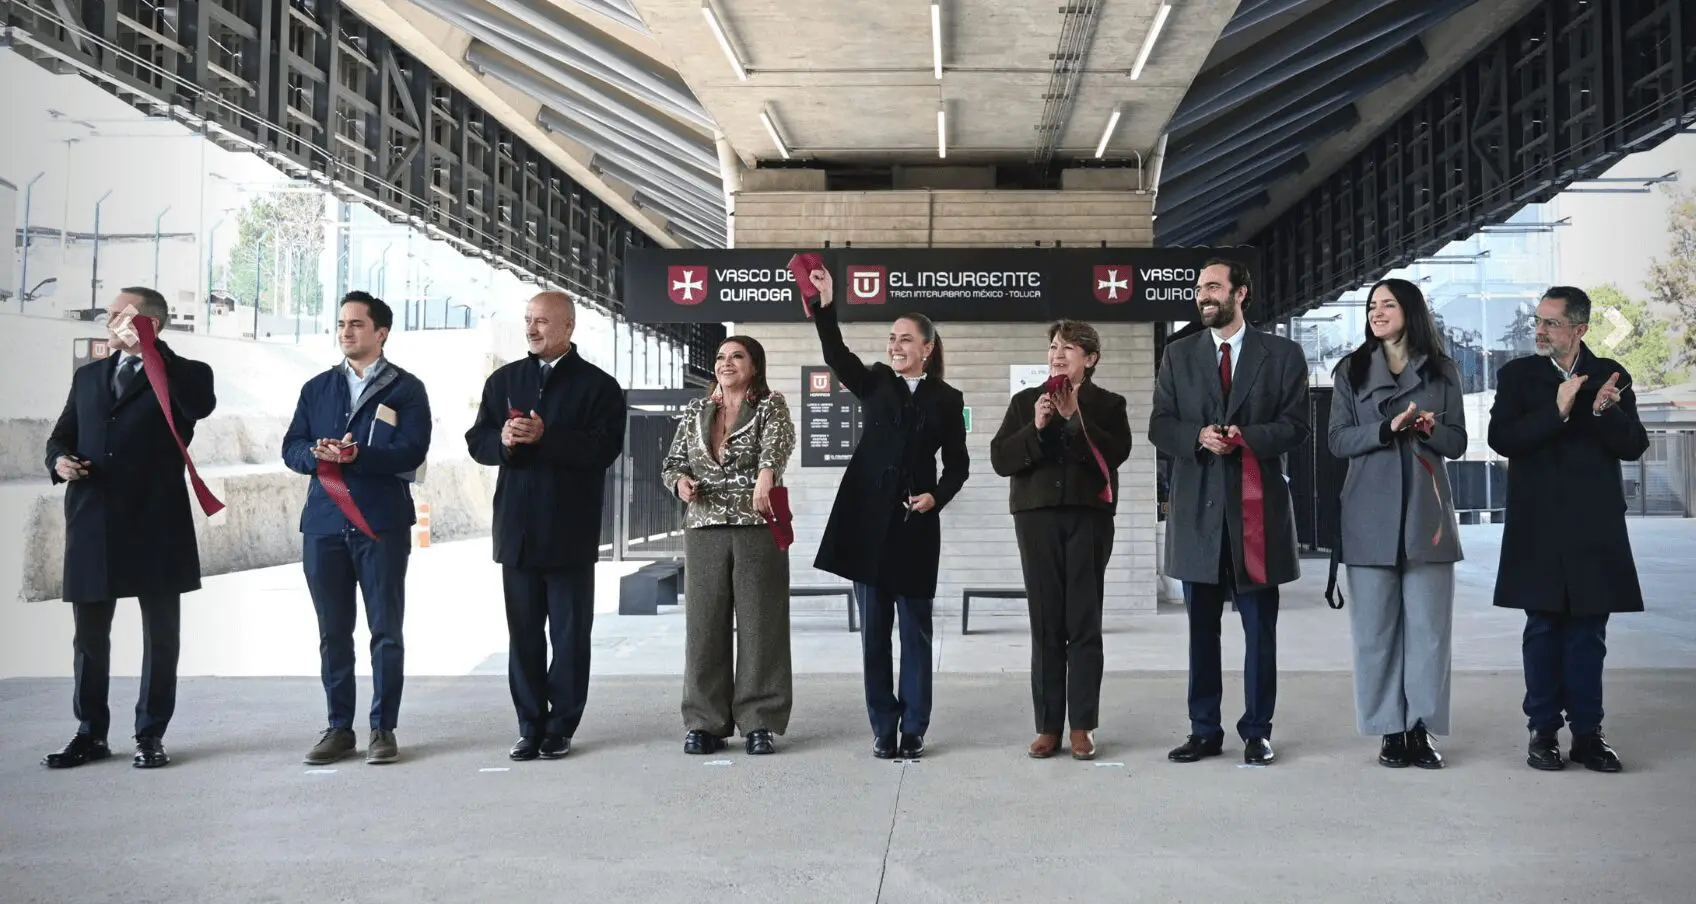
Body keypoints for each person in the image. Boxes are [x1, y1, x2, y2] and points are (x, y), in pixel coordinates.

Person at [41, 288, 216, 769]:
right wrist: (60, 461)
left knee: (160, 638)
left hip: (155, 521)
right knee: (90, 639)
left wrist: (151, 350)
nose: (108, 319)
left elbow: (198, 406)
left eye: (120, 314)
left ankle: (150, 733)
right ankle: (90, 732)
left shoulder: (186, 375)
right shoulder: (90, 376)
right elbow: (62, 434)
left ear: (149, 324)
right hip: (93, 519)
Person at [1148, 258, 1309, 766]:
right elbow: (1159, 425)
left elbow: (1297, 426)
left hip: (1257, 517)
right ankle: (1204, 730)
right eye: (1199, 288)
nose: (1204, 295)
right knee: (1201, 631)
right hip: (1198, 516)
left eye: (1214, 287)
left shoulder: (1282, 355)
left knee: (1260, 630)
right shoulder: (1178, 354)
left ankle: (1257, 731)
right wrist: (1196, 436)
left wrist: (1246, 439)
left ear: (1242, 292)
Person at [806, 267, 969, 760]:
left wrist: (935, 497)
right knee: (874, 632)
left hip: (915, 526)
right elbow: (835, 354)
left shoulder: (948, 400)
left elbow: (958, 466)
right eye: (891, 338)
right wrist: (827, 304)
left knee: (916, 630)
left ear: (927, 347)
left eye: (905, 339)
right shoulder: (875, 381)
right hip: (867, 526)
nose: (895, 345)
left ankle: (915, 727)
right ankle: (883, 726)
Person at [1488, 286, 1647, 773]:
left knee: (1588, 633)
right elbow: (1502, 438)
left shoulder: (1609, 374)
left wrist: (1604, 411)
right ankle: (1542, 733)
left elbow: (1633, 446)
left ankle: (1587, 734)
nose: (1539, 330)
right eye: (1537, 321)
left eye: (1551, 323)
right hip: (1536, 525)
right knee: (1542, 629)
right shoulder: (1517, 376)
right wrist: (1556, 409)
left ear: (1579, 329)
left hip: (1592, 525)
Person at [465, 291, 625, 761]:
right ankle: (529, 724)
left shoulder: (599, 386)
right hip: (516, 532)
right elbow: (478, 441)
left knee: (571, 636)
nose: (532, 329)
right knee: (524, 636)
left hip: (570, 533)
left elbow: (603, 450)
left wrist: (547, 437)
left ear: (569, 327)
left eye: (542, 321)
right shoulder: (504, 381)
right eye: (528, 320)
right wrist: (505, 442)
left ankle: (561, 726)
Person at [282, 291, 432, 766]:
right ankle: (338, 727)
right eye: (342, 324)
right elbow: (292, 448)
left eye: (357, 324)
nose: (346, 332)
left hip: (380, 524)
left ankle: (382, 728)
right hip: (324, 524)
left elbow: (412, 450)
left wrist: (358, 456)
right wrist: (316, 455)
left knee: (385, 630)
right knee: (333, 632)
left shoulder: (405, 389)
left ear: (381, 333)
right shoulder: (316, 388)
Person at [1325, 278, 1466, 769]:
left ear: (1411, 310)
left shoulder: (1442, 370)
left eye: (1387, 304)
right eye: (1371, 306)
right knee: (1375, 632)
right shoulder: (1352, 369)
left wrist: (1429, 427)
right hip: (1368, 513)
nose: (1377, 312)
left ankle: (1420, 728)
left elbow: (1458, 443)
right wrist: (1387, 428)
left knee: (1429, 631)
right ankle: (1389, 730)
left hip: (1426, 515)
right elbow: (1338, 441)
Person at [990, 320, 1132, 760]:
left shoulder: (1108, 404)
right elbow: (1001, 459)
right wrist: (1036, 426)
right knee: (1046, 623)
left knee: (1084, 623)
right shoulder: (1023, 403)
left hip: (1089, 519)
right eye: (1053, 346)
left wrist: (1073, 419)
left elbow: (1115, 453)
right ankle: (1048, 726)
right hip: (1036, 521)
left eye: (1068, 348)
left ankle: (1082, 726)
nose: (1057, 354)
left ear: (1089, 358)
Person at [660, 336, 797, 756]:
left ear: (754, 364)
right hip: (703, 525)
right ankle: (705, 722)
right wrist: (679, 482)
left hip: (757, 523)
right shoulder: (695, 411)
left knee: (760, 625)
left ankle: (759, 721)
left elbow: (779, 442)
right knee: (703, 627)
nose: (726, 362)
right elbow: (673, 462)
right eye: (721, 357)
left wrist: (766, 473)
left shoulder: (770, 404)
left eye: (737, 356)